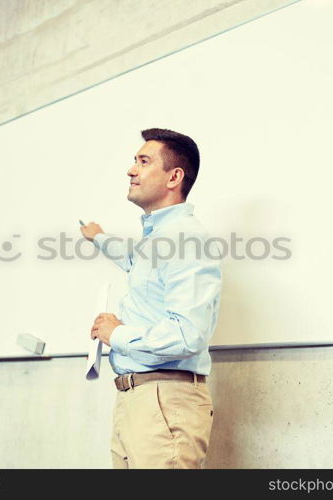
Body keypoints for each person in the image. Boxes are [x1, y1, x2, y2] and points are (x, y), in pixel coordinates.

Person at [80, 128, 222, 469]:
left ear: (174, 177)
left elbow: (189, 334)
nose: (131, 170)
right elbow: (134, 260)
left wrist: (116, 334)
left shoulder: (186, 240)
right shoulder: (158, 239)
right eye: (134, 161)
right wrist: (98, 237)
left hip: (164, 402)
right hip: (137, 399)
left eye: (143, 161)